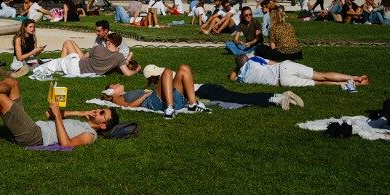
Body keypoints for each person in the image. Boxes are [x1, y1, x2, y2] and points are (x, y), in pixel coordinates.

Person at [0, 73, 118, 153]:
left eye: (102, 113)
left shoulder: (90, 135)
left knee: (0, 99)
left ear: (103, 126)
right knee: (12, 82)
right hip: (35, 127)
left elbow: (66, 144)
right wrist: (81, 113)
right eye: (101, 109)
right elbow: (48, 115)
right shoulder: (82, 122)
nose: (98, 110)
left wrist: (57, 115)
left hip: (36, 136)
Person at [105, 64, 304, 111]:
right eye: (113, 85)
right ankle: (274, 98)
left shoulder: (158, 83)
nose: (117, 84)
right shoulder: (117, 98)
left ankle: (275, 97)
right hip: (197, 91)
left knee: (236, 96)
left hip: (194, 91)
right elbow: (126, 105)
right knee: (236, 97)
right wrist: (111, 95)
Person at [230, 54, 369, 89]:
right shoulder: (254, 59)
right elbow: (273, 63)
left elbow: (231, 77)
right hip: (283, 68)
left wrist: (238, 69)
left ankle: (356, 84)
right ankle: (355, 77)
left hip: (282, 82)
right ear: (246, 58)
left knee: (319, 83)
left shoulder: (242, 78)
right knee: (321, 76)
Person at [43, 34, 140, 77]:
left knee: (67, 43)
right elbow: (127, 73)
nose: (105, 42)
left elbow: (82, 57)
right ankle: (61, 64)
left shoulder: (98, 48)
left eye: (106, 40)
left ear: (110, 42)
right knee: (68, 47)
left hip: (75, 65)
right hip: (81, 72)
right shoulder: (119, 57)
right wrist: (137, 69)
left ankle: (61, 62)